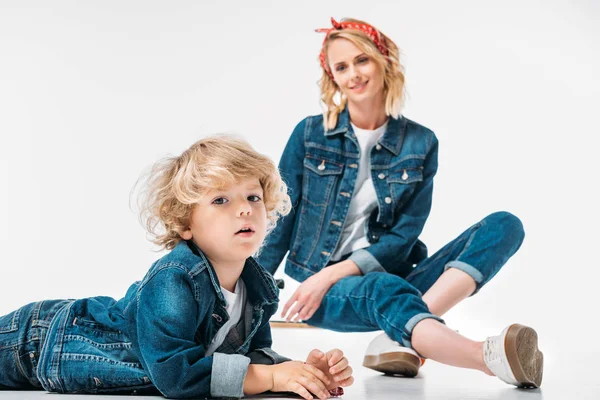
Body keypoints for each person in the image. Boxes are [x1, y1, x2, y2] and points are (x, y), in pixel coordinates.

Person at [257, 17, 543, 388]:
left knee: (505, 224)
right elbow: (279, 218)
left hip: (395, 275)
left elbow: (402, 238)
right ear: (332, 78)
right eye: (341, 67)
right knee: (383, 288)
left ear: (383, 61)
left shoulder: (420, 143)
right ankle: (488, 357)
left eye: (362, 60)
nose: (353, 74)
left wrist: (334, 271)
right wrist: (248, 296)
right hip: (322, 293)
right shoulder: (310, 134)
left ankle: (399, 334)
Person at [0, 135, 354, 399]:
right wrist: (273, 378)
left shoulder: (257, 288)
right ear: (186, 225)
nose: (245, 209)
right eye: (220, 200)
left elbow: (251, 358)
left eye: (253, 197)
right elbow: (176, 375)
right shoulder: (175, 279)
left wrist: (301, 372)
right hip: (42, 339)